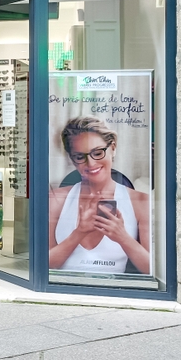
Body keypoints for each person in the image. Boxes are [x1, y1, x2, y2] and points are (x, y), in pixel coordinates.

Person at [48, 117, 150, 274]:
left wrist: (122, 237)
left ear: (113, 148)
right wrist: (79, 232)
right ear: (72, 159)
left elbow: (152, 269)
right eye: (80, 157)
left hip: (115, 288)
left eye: (97, 153)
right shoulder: (55, 199)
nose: (91, 163)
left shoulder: (140, 201)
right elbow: (45, 264)